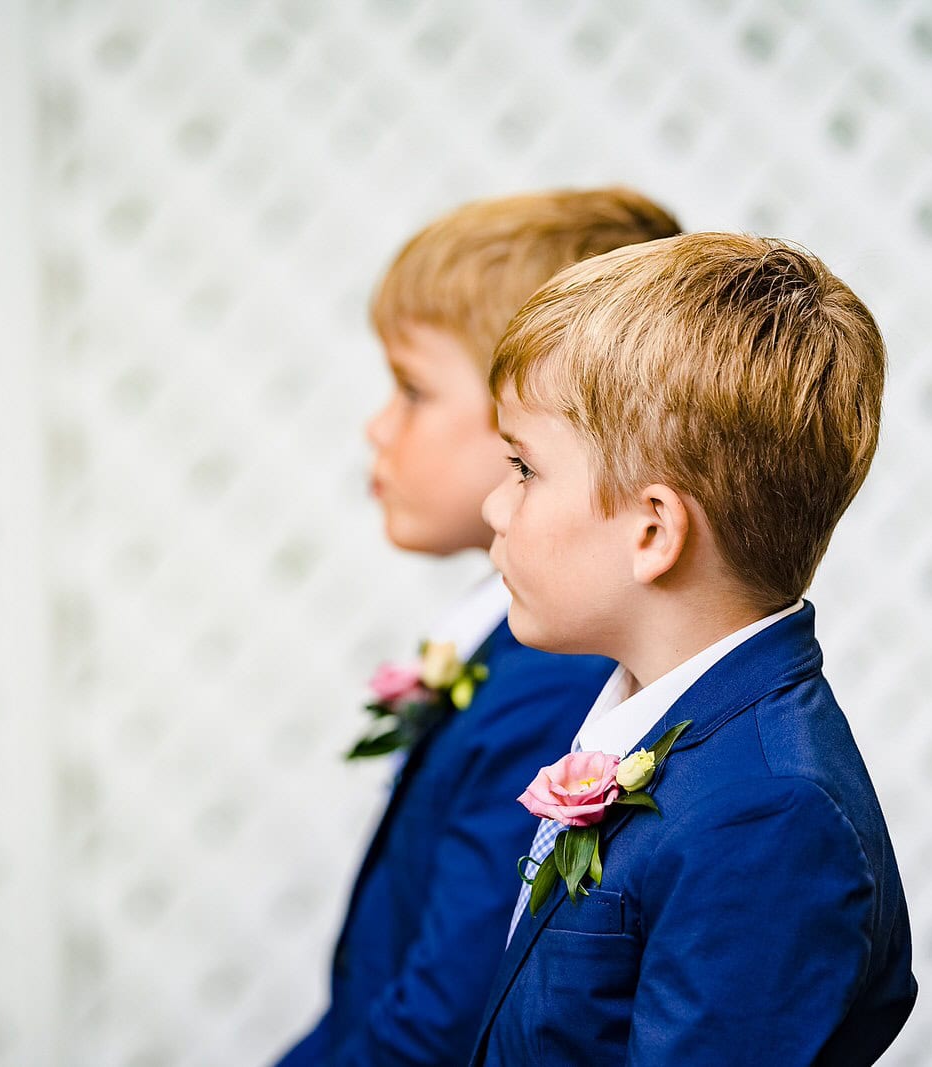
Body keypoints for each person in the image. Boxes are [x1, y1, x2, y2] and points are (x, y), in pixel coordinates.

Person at [472, 233, 917, 1064]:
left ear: (653, 529)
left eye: (524, 468)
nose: (495, 507)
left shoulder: (769, 814)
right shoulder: (660, 733)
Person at [275, 189, 680, 1066]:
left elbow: (445, 1020)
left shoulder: (557, 681)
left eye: (414, 389)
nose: (378, 426)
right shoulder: (510, 651)